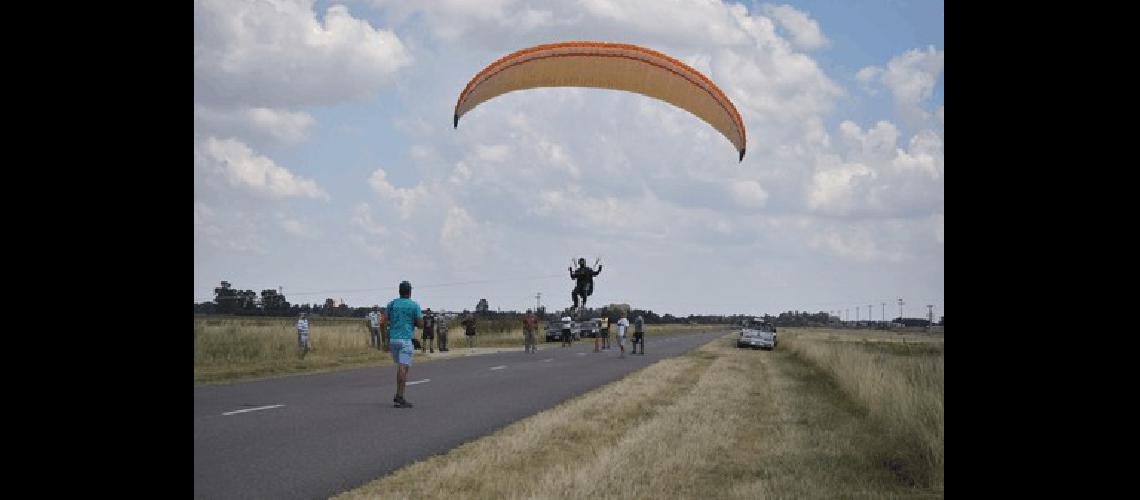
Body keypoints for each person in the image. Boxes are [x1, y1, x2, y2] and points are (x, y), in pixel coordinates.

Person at [383, 281, 423, 409]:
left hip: (393, 339)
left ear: (399, 291)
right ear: (410, 291)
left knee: (400, 367)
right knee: (403, 368)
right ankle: (400, 397)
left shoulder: (392, 304)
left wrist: (385, 337)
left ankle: (398, 394)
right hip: (405, 340)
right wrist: (413, 322)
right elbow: (421, 324)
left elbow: (383, 321)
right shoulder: (414, 305)